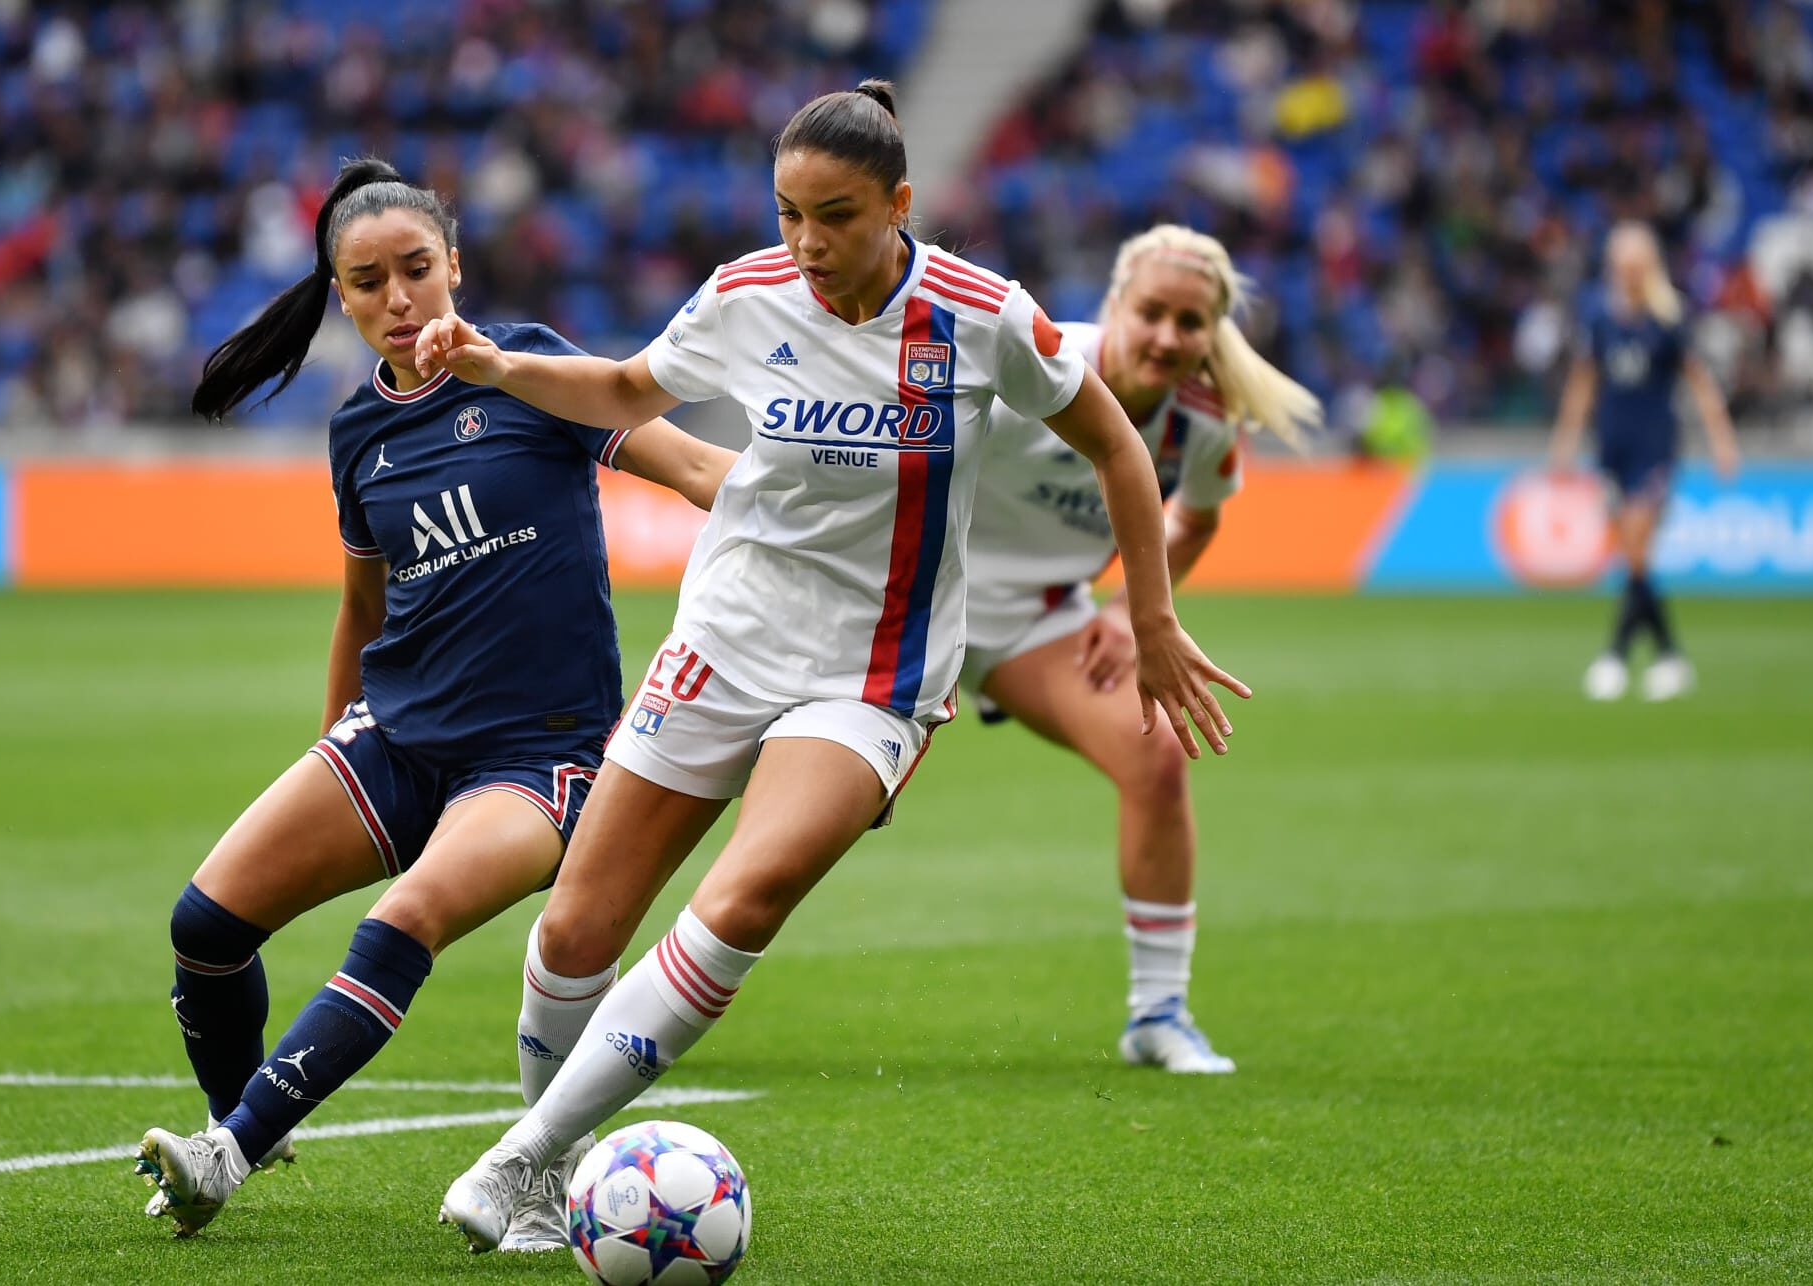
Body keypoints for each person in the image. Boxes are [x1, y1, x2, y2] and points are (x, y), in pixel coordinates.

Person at [411, 80, 1250, 1253]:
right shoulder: (748, 293)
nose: (805, 242)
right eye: (788, 211)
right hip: (724, 636)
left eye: (837, 215)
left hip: (873, 674)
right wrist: (496, 367)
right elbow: (621, 390)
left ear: (900, 204)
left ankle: (520, 1160)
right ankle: (546, 1171)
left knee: (743, 895)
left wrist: (1147, 615)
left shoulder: (982, 314)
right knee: (573, 931)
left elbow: (1114, 438)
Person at [129, 158, 735, 1245]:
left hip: (535, 758)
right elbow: (362, 605)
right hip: (397, 735)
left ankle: (226, 1151)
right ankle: (241, 1119)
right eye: (368, 282)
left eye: (417, 269)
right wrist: (332, 740)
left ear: (455, 264)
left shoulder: (532, 367)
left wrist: (836, 507)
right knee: (204, 925)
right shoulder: (357, 428)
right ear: (341, 296)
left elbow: (691, 464)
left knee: (401, 917)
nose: (398, 298)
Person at [961, 224, 1321, 1074]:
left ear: (1212, 334)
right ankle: (600, 976)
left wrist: (1126, 612)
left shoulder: (1201, 417)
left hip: (1036, 623)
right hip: (908, 604)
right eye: (1150, 312)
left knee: (1157, 758)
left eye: (1189, 323)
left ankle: (1157, 1016)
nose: (1167, 336)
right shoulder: (1036, 367)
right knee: (784, 792)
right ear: (1113, 305)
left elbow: (1197, 515)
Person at [1551, 221, 1739, 702]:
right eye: (1623, 262)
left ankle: (1613, 656)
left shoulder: (1669, 317)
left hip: (1655, 447)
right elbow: (1584, 380)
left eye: (1638, 262)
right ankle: (1670, 657)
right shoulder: (1599, 316)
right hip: (1612, 447)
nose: (1630, 271)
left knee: (1636, 544)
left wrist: (1721, 438)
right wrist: (1567, 440)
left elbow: (1698, 381)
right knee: (1633, 558)